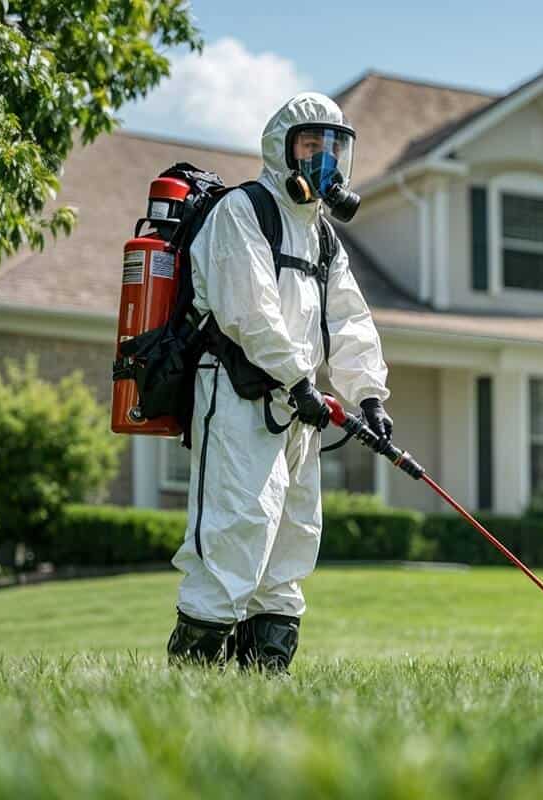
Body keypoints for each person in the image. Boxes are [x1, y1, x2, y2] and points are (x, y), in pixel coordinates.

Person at [165, 92, 394, 671]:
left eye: (334, 147)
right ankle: (193, 680)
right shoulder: (243, 211)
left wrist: (368, 394)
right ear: (282, 149)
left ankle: (265, 675)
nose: (325, 158)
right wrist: (298, 378)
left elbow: (347, 318)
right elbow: (249, 310)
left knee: (293, 534)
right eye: (312, 145)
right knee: (236, 526)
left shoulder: (321, 235)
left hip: (299, 408)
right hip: (237, 395)